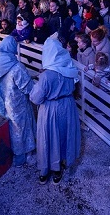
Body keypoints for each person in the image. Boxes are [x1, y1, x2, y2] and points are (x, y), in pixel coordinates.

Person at [30, 37, 81, 185]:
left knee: (48, 137)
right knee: (64, 136)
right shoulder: (70, 69)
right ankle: (60, 167)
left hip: (50, 109)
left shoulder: (46, 75)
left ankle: (46, 170)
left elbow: (36, 98)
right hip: (67, 106)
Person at [0, 36, 36, 168]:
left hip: (1, 101)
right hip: (18, 104)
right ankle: (25, 154)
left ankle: (14, 154)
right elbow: (28, 88)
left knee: (11, 128)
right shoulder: (16, 67)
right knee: (21, 129)